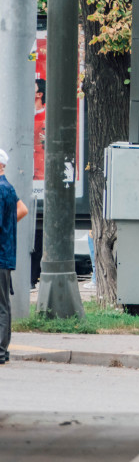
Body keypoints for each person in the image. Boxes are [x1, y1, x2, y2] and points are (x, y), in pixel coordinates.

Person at [1, 149, 29, 365]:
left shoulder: (1, 189)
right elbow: (23, 209)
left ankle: (0, 351)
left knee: (1, 305)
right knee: (3, 304)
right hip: (4, 255)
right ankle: (3, 351)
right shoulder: (8, 189)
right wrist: (8, 229)